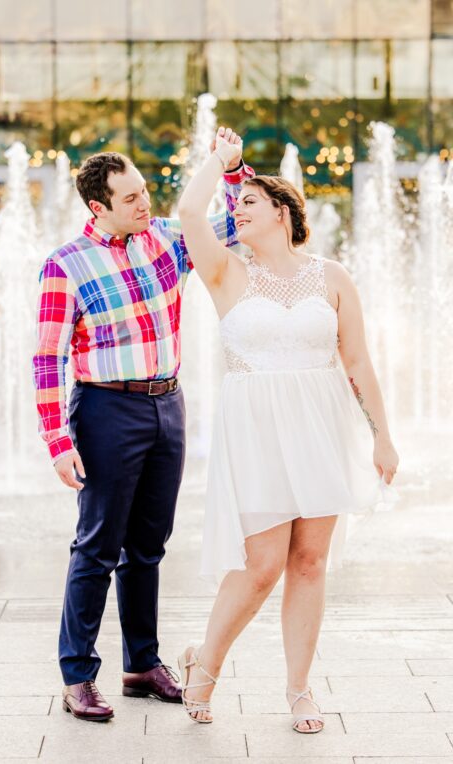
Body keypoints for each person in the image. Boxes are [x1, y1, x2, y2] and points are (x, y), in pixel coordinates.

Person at [175, 127, 398, 733]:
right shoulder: (224, 272)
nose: (235, 209)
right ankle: (205, 664)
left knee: (309, 563)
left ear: (283, 210)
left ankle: (299, 689)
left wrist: (381, 434)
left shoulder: (332, 276)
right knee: (262, 563)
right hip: (255, 431)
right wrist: (220, 161)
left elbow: (356, 362)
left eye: (247, 201)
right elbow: (191, 211)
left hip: (321, 426)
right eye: (235, 202)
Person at [33, 144, 255, 721]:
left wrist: (230, 170)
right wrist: (59, 441)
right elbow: (47, 358)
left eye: (143, 191)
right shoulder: (67, 264)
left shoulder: (166, 237)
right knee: (97, 546)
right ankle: (77, 675)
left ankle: (141, 665)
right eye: (129, 197)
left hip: (168, 404)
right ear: (96, 205)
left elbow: (236, 223)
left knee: (149, 547)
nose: (143, 202)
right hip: (106, 410)